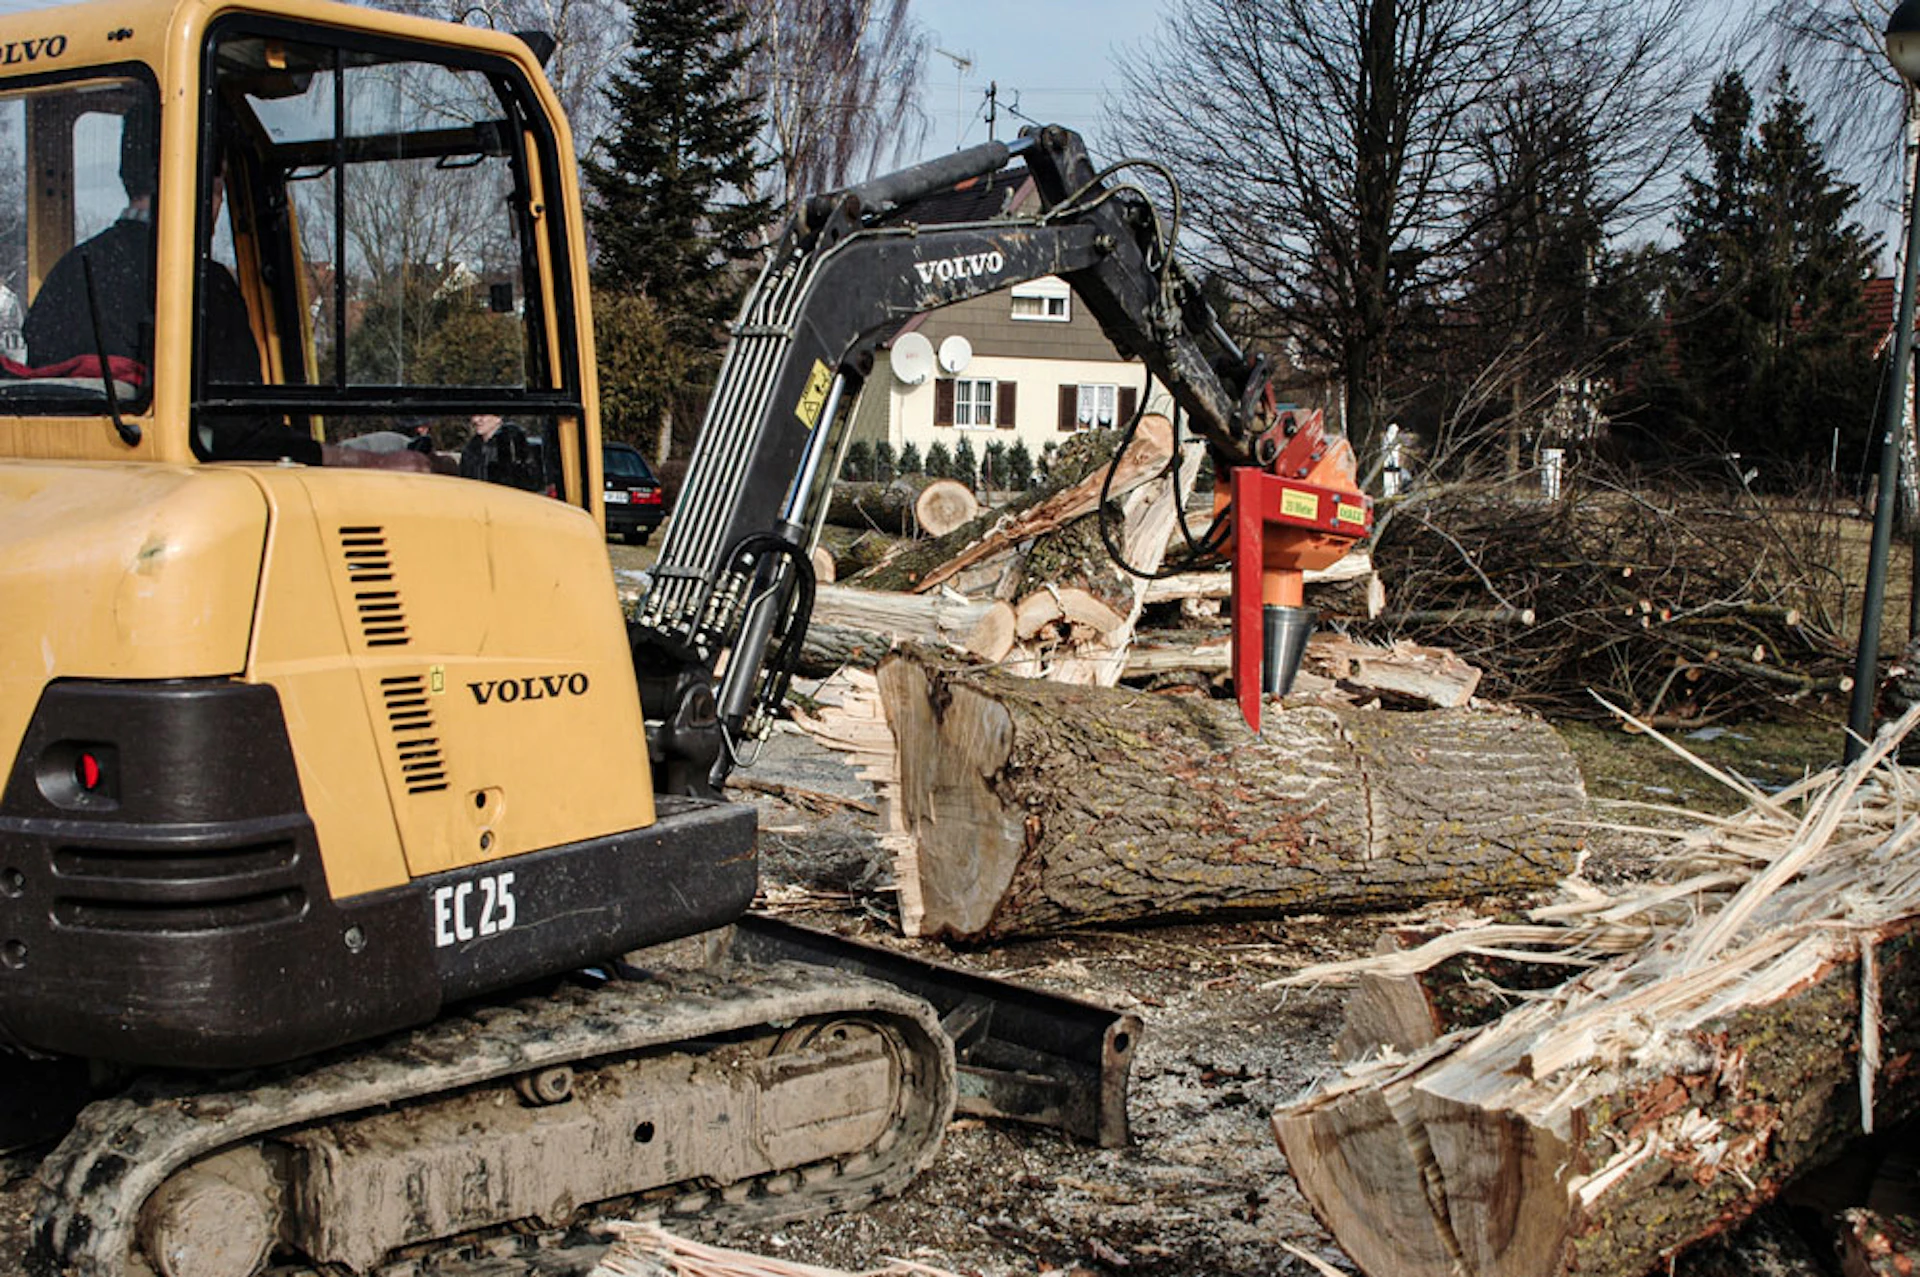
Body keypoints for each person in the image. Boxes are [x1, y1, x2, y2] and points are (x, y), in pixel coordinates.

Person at [460, 413, 541, 490]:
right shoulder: (470, 450)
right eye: (474, 415)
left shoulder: (514, 444)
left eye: (483, 415)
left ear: (498, 418)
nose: (476, 419)